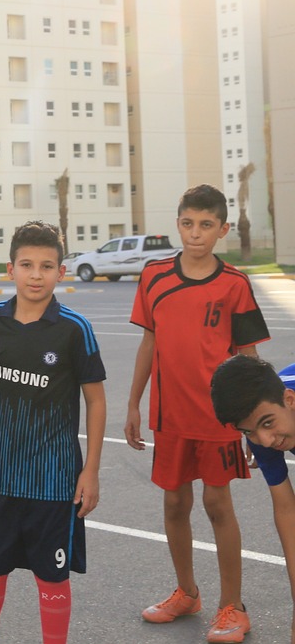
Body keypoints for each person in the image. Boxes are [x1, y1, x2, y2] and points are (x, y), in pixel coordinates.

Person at [0, 221, 106, 644]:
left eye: (46, 266)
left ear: (61, 272)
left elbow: (96, 401)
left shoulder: (73, 329)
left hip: (53, 479)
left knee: (52, 576)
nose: (35, 274)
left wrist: (92, 471)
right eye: (26, 264)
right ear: (10, 269)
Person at [124, 184, 270, 643]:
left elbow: (248, 358)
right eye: (188, 223)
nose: (195, 233)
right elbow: (149, 343)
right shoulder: (155, 277)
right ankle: (187, 592)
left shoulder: (235, 284)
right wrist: (133, 402)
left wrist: (253, 424)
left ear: (222, 229)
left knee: (217, 504)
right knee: (173, 503)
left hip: (219, 419)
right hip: (170, 417)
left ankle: (233, 607)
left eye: (206, 225)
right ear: (179, 223)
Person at [212, 355, 295, 644]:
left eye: (267, 424)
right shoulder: (261, 429)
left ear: (290, 400)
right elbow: (287, 513)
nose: (266, 440)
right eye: (248, 432)